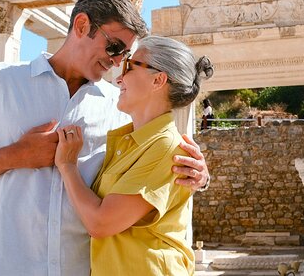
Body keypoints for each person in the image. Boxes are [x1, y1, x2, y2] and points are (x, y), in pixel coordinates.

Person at [0, 0, 210, 275]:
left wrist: (198, 174)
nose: (116, 61)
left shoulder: (120, 107)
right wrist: (15, 155)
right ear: (82, 25)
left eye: (125, 55)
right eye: (114, 47)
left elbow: (156, 162)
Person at [55, 36, 214, 275]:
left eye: (129, 65)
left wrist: (67, 166)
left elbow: (100, 222)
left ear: (158, 79)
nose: (119, 77)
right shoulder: (130, 141)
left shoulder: (165, 148)